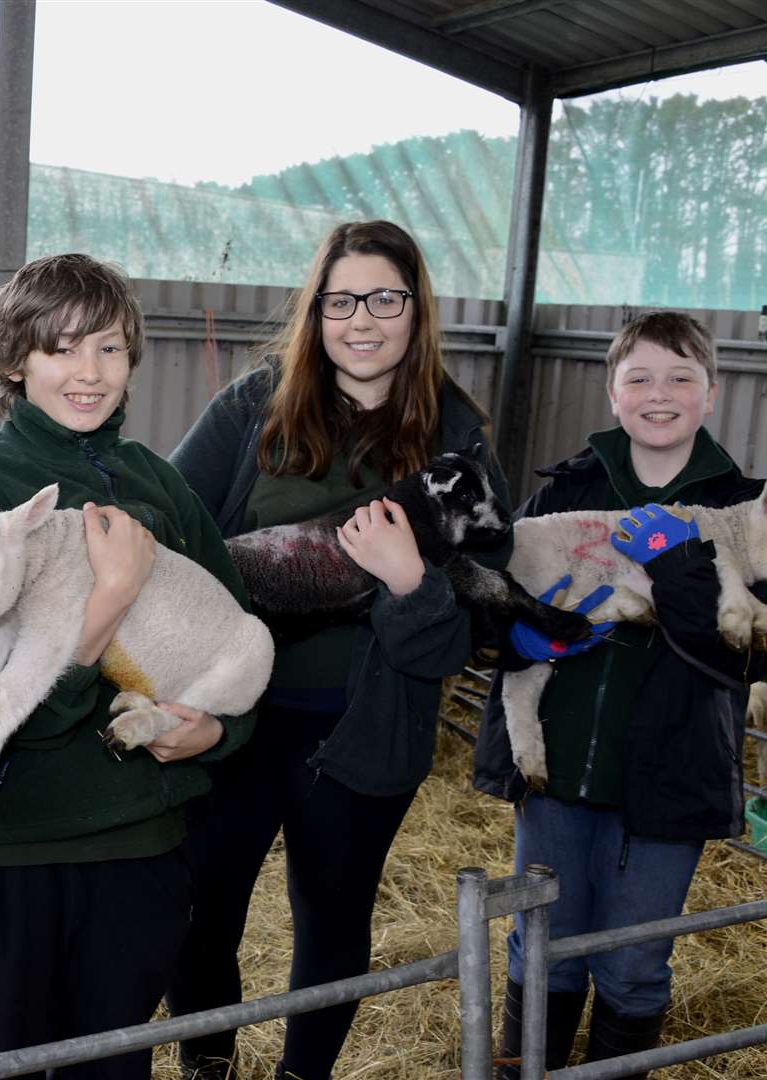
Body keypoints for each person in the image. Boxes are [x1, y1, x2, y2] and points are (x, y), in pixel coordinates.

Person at [165, 220, 510, 1080]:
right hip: (233, 722)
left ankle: (301, 1075)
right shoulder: (254, 407)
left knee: (332, 916)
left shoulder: (457, 435)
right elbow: (170, 529)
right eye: (342, 299)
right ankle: (209, 1061)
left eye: (385, 299)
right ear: (315, 311)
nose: (364, 320)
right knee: (199, 908)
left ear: (415, 309)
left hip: (365, 732)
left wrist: (408, 583)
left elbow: (464, 631)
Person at [0, 253, 255, 1080]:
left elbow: (228, 624)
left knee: (110, 1066)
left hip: (141, 845)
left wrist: (218, 728)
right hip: (15, 846)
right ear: (14, 360)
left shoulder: (157, 485)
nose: (89, 372)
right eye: (62, 349)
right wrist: (107, 601)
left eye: (109, 349)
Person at [472, 311, 767, 1079]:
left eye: (681, 377)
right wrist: (510, 633)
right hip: (557, 768)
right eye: (640, 378)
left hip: (669, 777)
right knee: (542, 948)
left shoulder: (752, 510)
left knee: (634, 965)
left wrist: (680, 563)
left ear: (711, 394)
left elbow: (755, 650)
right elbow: (496, 592)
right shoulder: (568, 486)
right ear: (613, 394)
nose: (661, 394)